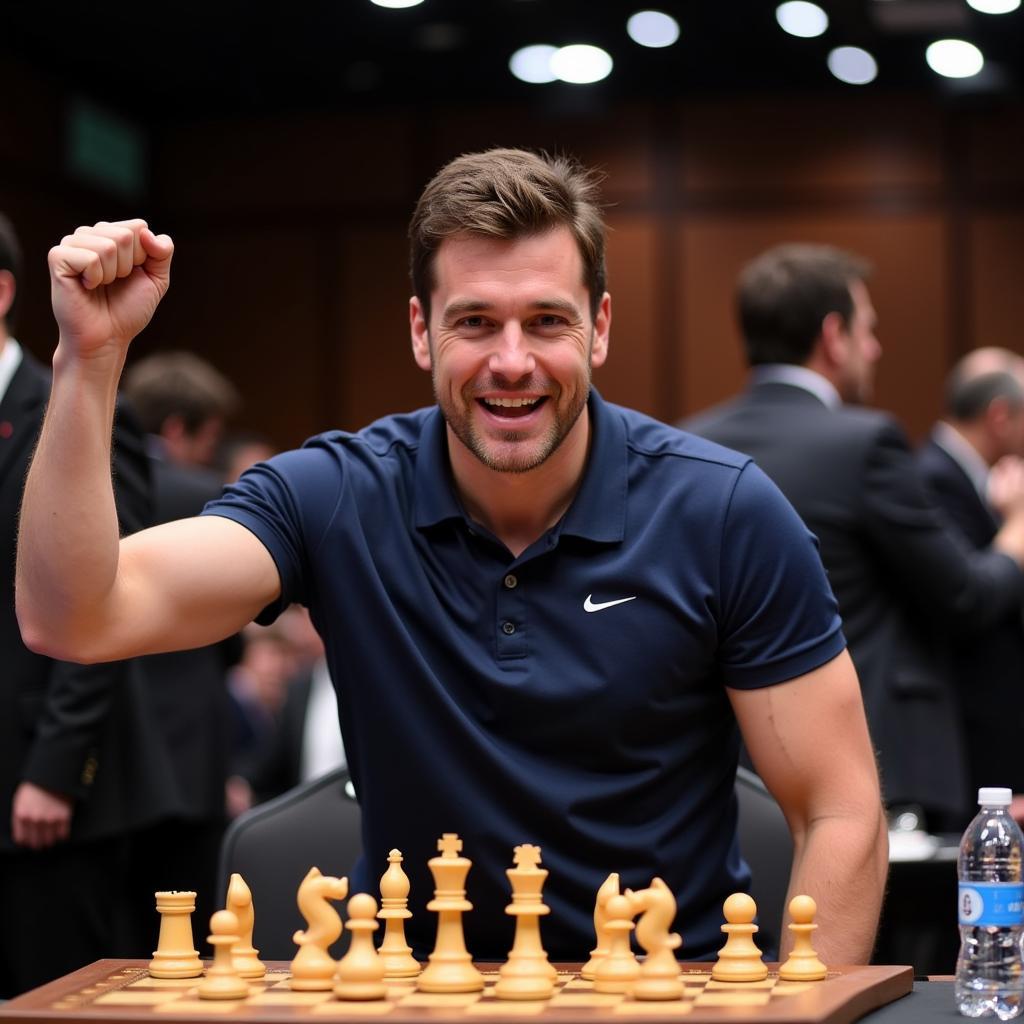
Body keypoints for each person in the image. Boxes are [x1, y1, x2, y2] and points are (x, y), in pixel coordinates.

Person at [17, 151, 886, 965]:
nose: (513, 362)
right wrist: (88, 361)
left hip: (666, 992)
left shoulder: (724, 510)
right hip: (410, 992)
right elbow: (77, 616)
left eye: (548, 320)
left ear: (601, 328)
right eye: (475, 321)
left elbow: (840, 811)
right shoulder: (335, 494)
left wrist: (798, 1011)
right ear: (421, 332)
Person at [685, 244, 1024, 834]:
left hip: (729, 766)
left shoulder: (691, 442)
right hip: (872, 762)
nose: (876, 349)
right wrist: (1017, 531)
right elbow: (963, 597)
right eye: (868, 330)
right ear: (833, 335)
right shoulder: (866, 444)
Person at [0, 214, 156, 995]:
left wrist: (56, 771)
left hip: (43, 787)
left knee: (50, 992)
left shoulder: (74, 405)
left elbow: (103, 599)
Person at [118, 350, 242, 950]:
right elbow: (231, 631)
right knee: (186, 932)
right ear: (176, 427)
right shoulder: (206, 496)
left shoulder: (89, 489)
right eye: (209, 437)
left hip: (112, 748)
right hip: (192, 744)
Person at [917, 348, 1024, 803]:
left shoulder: (977, 479)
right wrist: (1017, 523)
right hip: (969, 737)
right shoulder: (932, 478)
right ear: (999, 416)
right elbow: (966, 603)